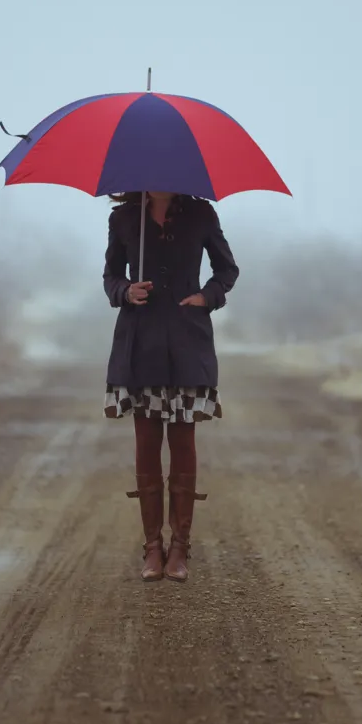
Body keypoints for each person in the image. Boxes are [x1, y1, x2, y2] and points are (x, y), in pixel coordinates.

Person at [102, 190, 239, 583]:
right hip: (139, 344)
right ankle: (151, 548)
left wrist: (206, 297)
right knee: (146, 444)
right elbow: (111, 276)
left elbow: (227, 269)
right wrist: (125, 291)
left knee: (182, 444)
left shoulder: (200, 214)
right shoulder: (125, 219)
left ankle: (179, 547)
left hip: (186, 345)